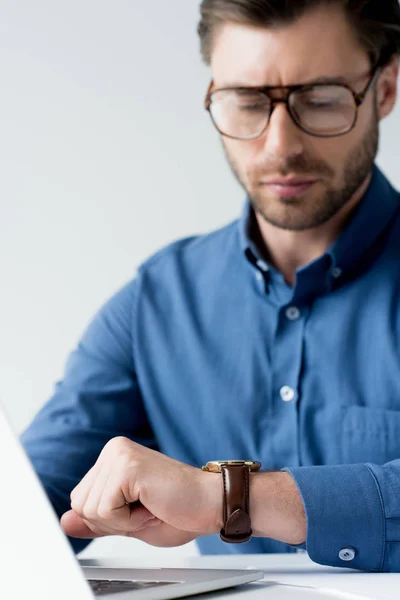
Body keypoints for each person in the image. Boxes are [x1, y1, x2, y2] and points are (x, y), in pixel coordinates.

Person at [21, 0, 400, 572]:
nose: (279, 146)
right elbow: (27, 508)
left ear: (386, 88)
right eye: (248, 103)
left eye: (320, 100)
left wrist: (226, 498)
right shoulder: (157, 303)